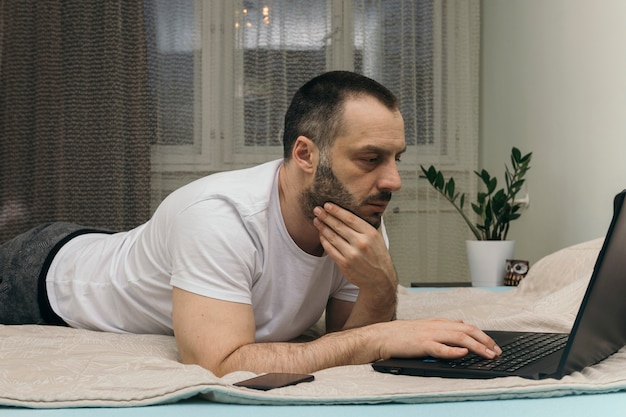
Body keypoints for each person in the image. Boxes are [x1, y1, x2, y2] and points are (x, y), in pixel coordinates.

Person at [0, 71, 501, 376]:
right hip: (45, 272)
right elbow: (219, 364)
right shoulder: (219, 215)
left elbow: (351, 336)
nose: (391, 180)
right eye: (371, 158)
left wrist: (380, 288)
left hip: (125, 250)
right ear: (305, 153)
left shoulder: (357, 210)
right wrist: (381, 336)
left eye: (396, 158)